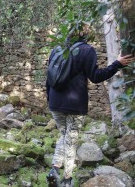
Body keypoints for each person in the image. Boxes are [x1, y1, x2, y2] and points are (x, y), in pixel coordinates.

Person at [46, 23, 134, 187]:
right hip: (74, 104)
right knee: (71, 140)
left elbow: (48, 78)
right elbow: (96, 76)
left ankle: (54, 170)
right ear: (85, 35)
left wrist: (49, 99)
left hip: (55, 101)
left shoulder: (56, 50)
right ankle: (66, 179)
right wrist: (117, 64)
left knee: (64, 136)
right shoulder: (87, 50)